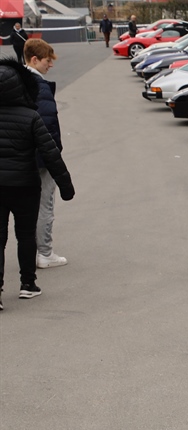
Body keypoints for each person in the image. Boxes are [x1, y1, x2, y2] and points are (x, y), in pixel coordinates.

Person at [0, 58, 75, 309]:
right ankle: (27, 284)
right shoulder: (30, 116)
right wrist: (66, 185)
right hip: (25, 185)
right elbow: (50, 153)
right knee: (25, 235)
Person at [24, 39, 67, 269]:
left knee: (24, 207)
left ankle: (29, 251)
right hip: (40, 157)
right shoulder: (39, 87)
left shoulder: (15, 81)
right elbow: (47, 126)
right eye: (47, 61)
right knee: (45, 205)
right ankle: (45, 253)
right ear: (35, 60)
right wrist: (54, 157)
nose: (50, 65)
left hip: (18, 155)